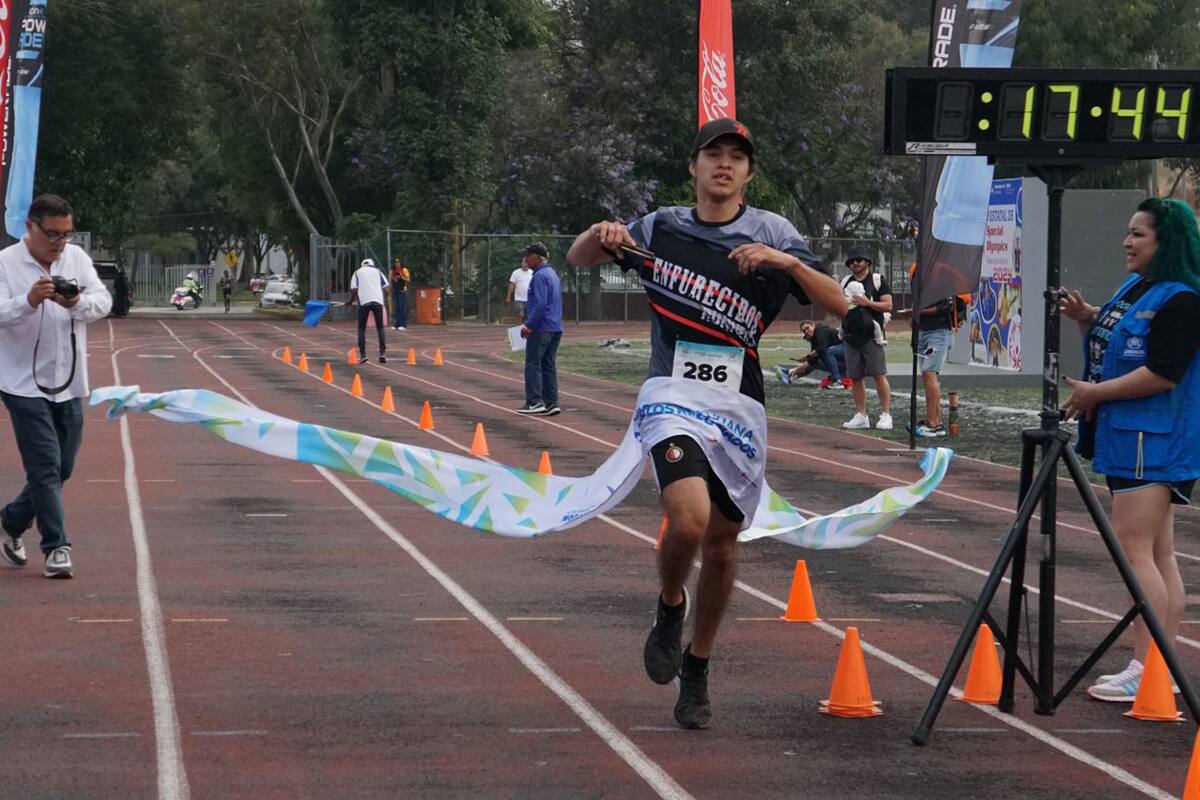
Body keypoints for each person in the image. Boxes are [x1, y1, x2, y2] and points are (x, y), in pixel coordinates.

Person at [566, 117, 846, 729]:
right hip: (670, 395)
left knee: (721, 546)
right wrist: (602, 232)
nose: (724, 164)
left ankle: (697, 665)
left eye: (736, 157)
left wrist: (785, 262)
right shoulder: (661, 227)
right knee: (688, 520)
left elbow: (839, 305)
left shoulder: (774, 231)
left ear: (748, 173)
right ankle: (670, 603)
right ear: (693, 167)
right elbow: (579, 256)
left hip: (740, 407)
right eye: (712, 154)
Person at [1059, 197, 1200, 702]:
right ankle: (1158, 664)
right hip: (1129, 437)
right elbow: (1114, 345)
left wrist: (1095, 394)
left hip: (1154, 441)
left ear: (1167, 241)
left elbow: (1162, 372)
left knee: (1137, 550)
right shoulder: (1138, 288)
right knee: (1158, 553)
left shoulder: (1182, 300)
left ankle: (1148, 665)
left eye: (1139, 234)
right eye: (1128, 232)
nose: (1127, 241)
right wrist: (1084, 319)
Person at [0, 194, 112, 578]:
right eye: (52, 234)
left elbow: (103, 302)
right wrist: (27, 301)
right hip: (20, 384)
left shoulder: (76, 259)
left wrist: (76, 302)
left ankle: (11, 522)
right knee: (45, 465)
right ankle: (57, 547)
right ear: (29, 227)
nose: (60, 242)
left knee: (61, 468)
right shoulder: (5, 263)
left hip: (69, 381)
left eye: (66, 234)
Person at [839, 248, 893, 430]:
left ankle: (886, 414)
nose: (855, 263)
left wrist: (867, 303)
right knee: (855, 377)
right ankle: (861, 414)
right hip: (850, 335)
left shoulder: (878, 281)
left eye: (859, 260)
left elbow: (888, 305)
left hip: (872, 335)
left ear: (867, 262)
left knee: (879, 374)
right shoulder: (845, 282)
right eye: (851, 261)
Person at [903, 280, 965, 438]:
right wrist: (914, 316)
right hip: (922, 331)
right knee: (927, 376)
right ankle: (935, 421)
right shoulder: (920, 279)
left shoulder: (943, 279)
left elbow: (946, 306)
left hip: (939, 332)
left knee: (929, 373)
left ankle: (933, 423)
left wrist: (919, 312)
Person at [516, 242, 563, 416]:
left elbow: (540, 303)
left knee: (533, 364)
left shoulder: (539, 276)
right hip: (555, 326)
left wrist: (529, 325)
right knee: (548, 365)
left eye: (528, 255)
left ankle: (535, 401)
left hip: (542, 327)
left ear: (537, 257)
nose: (525, 259)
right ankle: (551, 402)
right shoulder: (552, 274)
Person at [775, 320, 848, 388]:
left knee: (827, 352)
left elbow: (822, 348)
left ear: (813, 325)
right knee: (816, 361)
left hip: (849, 356)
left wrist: (807, 356)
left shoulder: (820, 331)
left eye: (807, 328)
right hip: (844, 365)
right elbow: (812, 361)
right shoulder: (815, 341)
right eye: (804, 331)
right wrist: (796, 369)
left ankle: (837, 380)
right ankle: (790, 375)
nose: (807, 332)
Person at [347, 258, 390, 364]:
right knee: (380, 327)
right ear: (372, 265)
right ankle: (382, 353)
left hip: (364, 302)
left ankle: (363, 355)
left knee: (361, 328)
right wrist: (384, 299)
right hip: (378, 302)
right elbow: (387, 288)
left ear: (362, 265)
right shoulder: (378, 272)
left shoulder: (357, 272)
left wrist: (350, 301)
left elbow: (354, 289)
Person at [506, 257, 534, 322]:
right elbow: (512, 285)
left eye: (527, 263)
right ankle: (517, 329)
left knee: (529, 317)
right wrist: (508, 296)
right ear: (522, 263)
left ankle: (527, 330)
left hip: (529, 299)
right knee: (519, 314)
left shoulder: (533, 273)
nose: (525, 264)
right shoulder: (516, 272)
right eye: (524, 262)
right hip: (519, 299)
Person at [389, 257, 410, 330]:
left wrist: (402, 277)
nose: (397, 264)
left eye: (398, 262)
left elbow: (408, 279)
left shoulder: (404, 270)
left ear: (401, 263)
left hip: (402, 291)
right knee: (396, 308)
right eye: (395, 262)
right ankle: (396, 324)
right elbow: (391, 281)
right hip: (395, 291)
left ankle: (403, 324)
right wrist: (390, 288)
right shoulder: (392, 271)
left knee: (402, 308)